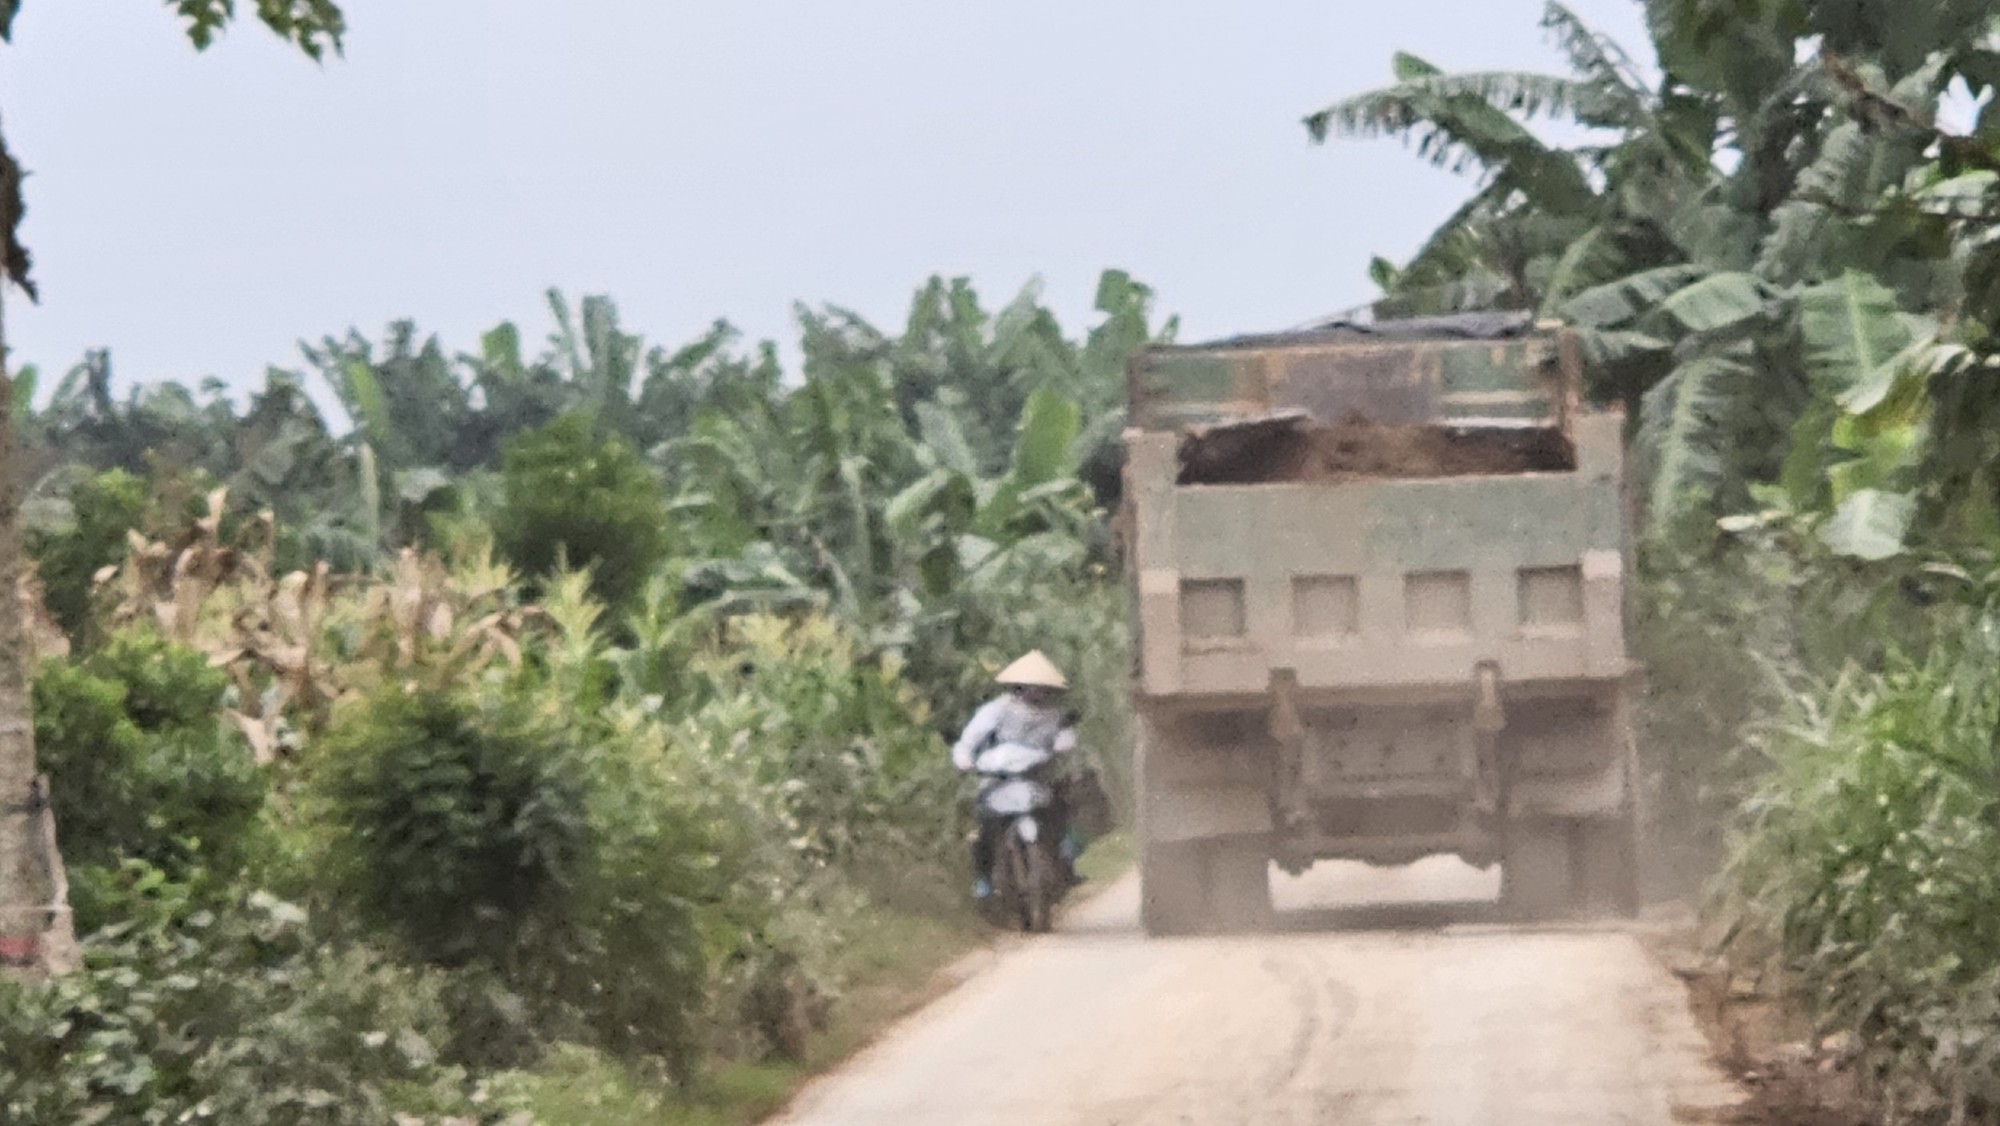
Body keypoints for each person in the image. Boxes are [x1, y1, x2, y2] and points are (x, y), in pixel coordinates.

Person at [952, 650, 1081, 900]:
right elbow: (969, 739)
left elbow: (1064, 737)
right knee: (983, 829)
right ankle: (984, 879)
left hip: (1038, 778)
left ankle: (1066, 862)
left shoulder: (1054, 715)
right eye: (1034, 687)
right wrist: (964, 758)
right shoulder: (997, 710)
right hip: (998, 779)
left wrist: (1063, 744)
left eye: (1043, 688)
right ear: (1020, 686)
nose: (1039, 692)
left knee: (1062, 815)